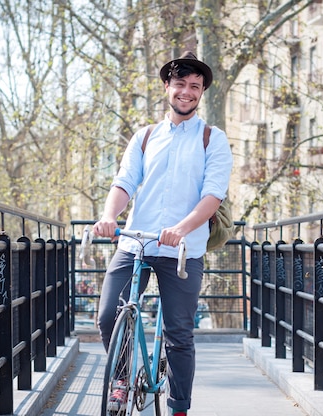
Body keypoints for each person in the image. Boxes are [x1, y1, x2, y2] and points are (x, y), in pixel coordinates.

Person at [93, 51, 233, 416]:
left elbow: (213, 195)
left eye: (194, 87)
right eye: (180, 85)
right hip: (136, 243)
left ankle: (178, 408)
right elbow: (124, 182)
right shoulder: (146, 136)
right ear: (167, 87)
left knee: (179, 335)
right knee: (110, 314)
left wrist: (181, 229)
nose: (186, 92)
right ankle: (121, 379)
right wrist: (109, 215)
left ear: (201, 92)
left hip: (182, 249)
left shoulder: (212, 139)